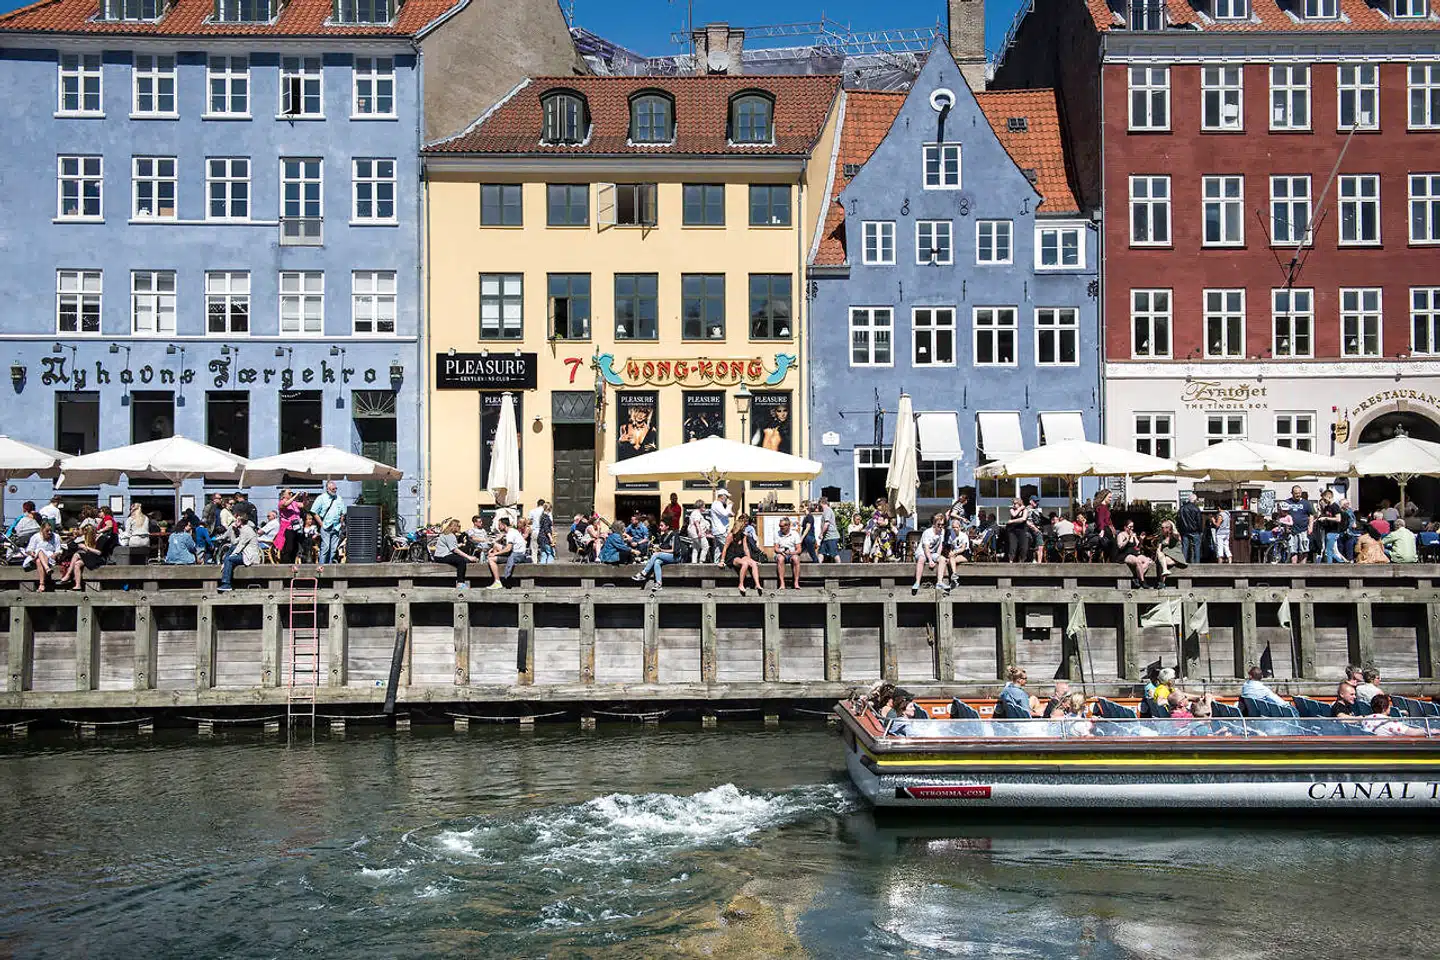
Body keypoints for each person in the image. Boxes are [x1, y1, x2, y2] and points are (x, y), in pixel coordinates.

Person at [722, 515, 762, 596]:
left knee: (753, 564)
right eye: (743, 527)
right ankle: (741, 584)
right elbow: (725, 548)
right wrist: (722, 561)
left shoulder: (743, 535)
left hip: (741, 554)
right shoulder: (731, 535)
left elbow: (745, 548)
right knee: (745, 564)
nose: (745, 529)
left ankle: (757, 584)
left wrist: (750, 559)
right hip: (732, 556)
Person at [55, 525, 104, 590]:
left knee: (77, 554)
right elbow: (70, 546)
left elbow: (99, 552)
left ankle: (68, 574)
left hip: (98, 559)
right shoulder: (87, 538)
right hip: (90, 557)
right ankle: (78, 585)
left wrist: (86, 547)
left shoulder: (102, 538)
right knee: (77, 564)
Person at [217, 517, 260, 592]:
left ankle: (226, 584)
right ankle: (225, 563)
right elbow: (235, 542)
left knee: (229, 559)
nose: (234, 522)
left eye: (236, 520)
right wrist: (234, 530)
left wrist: (230, 556)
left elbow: (241, 545)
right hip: (245, 553)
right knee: (232, 548)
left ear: (240, 522)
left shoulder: (246, 530)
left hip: (249, 556)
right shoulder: (244, 529)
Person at [912, 512, 950, 596]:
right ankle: (917, 582)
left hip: (932, 552)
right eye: (938, 524)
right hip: (922, 551)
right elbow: (926, 548)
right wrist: (930, 560)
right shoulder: (927, 532)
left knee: (943, 559)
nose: (940, 526)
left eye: (942, 524)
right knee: (922, 559)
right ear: (934, 524)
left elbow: (940, 545)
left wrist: (937, 557)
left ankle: (939, 582)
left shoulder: (942, 531)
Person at [432, 519, 480, 585]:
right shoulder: (449, 535)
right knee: (461, 560)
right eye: (459, 526)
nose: (460, 527)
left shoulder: (447, 533)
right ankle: (460, 582)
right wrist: (469, 557)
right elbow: (454, 549)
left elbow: (450, 545)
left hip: (441, 555)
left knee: (463, 557)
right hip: (442, 556)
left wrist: (459, 545)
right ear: (455, 526)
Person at [485, 516, 529, 588]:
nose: (498, 527)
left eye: (499, 525)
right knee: (496, 545)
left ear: (504, 525)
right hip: (517, 553)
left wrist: (494, 554)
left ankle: (497, 581)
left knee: (490, 559)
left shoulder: (510, 534)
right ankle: (496, 564)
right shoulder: (512, 531)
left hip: (516, 556)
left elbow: (508, 549)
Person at [633, 518, 678, 587]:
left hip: (675, 557)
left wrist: (660, 551)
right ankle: (658, 583)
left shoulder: (674, 535)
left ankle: (643, 573)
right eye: (660, 525)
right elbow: (662, 547)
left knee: (656, 555)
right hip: (666, 556)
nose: (659, 527)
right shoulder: (663, 536)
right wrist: (656, 547)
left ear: (667, 526)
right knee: (657, 561)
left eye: (661, 525)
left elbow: (673, 550)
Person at [310, 481, 346, 565]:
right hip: (326, 526)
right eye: (333, 489)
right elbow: (314, 512)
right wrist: (321, 524)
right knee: (325, 548)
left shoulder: (339, 498)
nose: (335, 490)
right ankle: (321, 567)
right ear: (328, 489)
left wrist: (341, 521)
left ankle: (330, 567)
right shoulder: (321, 498)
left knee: (333, 549)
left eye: (335, 488)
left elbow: (343, 512)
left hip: (336, 526)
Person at [23, 520, 63, 591]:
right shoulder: (36, 537)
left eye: (50, 530)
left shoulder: (56, 536)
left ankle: (42, 584)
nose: (49, 533)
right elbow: (29, 549)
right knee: (40, 550)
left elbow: (58, 550)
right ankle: (47, 569)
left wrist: (55, 554)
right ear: (42, 530)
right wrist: (31, 553)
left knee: (39, 561)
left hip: (49, 557)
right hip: (35, 556)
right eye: (47, 531)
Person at [1280, 485, 1315, 564]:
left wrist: (1310, 527)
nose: (1298, 495)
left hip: (1303, 530)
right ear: (1292, 493)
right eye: (1296, 493)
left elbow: (1311, 515)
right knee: (1293, 551)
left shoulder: (1306, 503)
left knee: (1304, 550)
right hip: (1291, 531)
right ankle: (1294, 568)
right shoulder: (1287, 502)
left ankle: (1303, 568)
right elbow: (1281, 514)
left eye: (1299, 493)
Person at [1118, 519, 1152, 588]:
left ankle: (1136, 577)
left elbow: (1138, 547)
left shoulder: (1134, 535)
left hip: (1134, 553)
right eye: (1130, 527)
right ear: (1125, 527)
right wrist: (1128, 538)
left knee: (1148, 560)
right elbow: (1120, 547)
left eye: (1132, 527)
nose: (1132, 528)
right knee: (1138, 561)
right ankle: (1142, 581)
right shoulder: (1121, 535)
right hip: (1125, 554)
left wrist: (1141, 540)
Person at [773, 516, 803, 589]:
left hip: (792, 553)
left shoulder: (795, 534)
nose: (781, 528)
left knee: (796, 558)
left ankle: (796, 583)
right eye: (780, 526)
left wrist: (792, 553)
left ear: (788, 526)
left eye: (782, 526)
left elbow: (799, 549)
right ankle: (782, 583)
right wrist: (781, 551)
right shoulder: (777, 533)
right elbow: (776, 548)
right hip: (781, 553)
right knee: (780, 559)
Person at [275, 489, 304, 564]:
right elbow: (285, 505)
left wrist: (305, 497)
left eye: (292, 492)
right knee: (288, 547)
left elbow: (303, 504)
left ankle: (292, 564)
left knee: (295, 548)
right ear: (284, 495)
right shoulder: (281, 502)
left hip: (296, 528)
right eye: (289, 493)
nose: (291, 494)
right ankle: (285, 564)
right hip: (287, 528)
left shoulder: (294, 503)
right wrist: (295, 496)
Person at [1154, 518, 1184, 588]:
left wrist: (1170, 532)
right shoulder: (1162, 536)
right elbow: (1159, 549)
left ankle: (1161, 582)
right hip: (1165, 556)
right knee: (1160, 558)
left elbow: (1171, 540)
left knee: (1161, 562)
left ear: (1169, 528)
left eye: (1163, 528)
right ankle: (1164, 573)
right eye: (1161, 527)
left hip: (1176, 557)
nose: (1162, 529)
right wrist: (1155, 559)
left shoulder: (1175, 535)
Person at [1178, 493, 1205, 564]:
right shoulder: (1196, 509)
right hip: (1195, 531)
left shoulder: (1182, 508)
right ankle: (1197, 563)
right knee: (1197, 548)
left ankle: (1183, 563)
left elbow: (1179, 520)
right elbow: (1199, 521)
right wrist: (1200, 531)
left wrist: (1180, 531)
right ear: (1195, 500)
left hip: (1185, 531)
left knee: (1185, 547)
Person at [709, 491, 733, 566]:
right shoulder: (717, 504)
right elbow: (725, 513)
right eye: (727, 497)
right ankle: (729, 562)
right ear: (722, 496)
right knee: (729, 546)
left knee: (718, 549)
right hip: (720, 531)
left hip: (719, 530)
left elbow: (724, 514)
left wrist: (730, 514)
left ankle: (716, 564)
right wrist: (730, 506)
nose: (727, 499)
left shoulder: (718, 505)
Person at [1005, 496, 1029, 563]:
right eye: (1013, 503)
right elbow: (1014, 514)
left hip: (1022, 530)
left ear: (1019, 503)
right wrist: (1020, 508)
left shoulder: (1025, 510)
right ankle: (1011, 561)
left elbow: (1023, 519)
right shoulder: (1012, 510)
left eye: (1015, 503)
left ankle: (1022, 561)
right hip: (1013, 531)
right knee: (1012, 547)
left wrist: (1012, 521)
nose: (1013, 505)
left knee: (1024, 547)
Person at [818, 496, 841, 563]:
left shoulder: (827, 510)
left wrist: (821, 533)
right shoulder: (826, 510)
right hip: (826, 537)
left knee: (834, 554)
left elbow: (827, 524)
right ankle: (818, 568)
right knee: (821, 552)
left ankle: (840, 568)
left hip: (831, 536)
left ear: (821, 503)